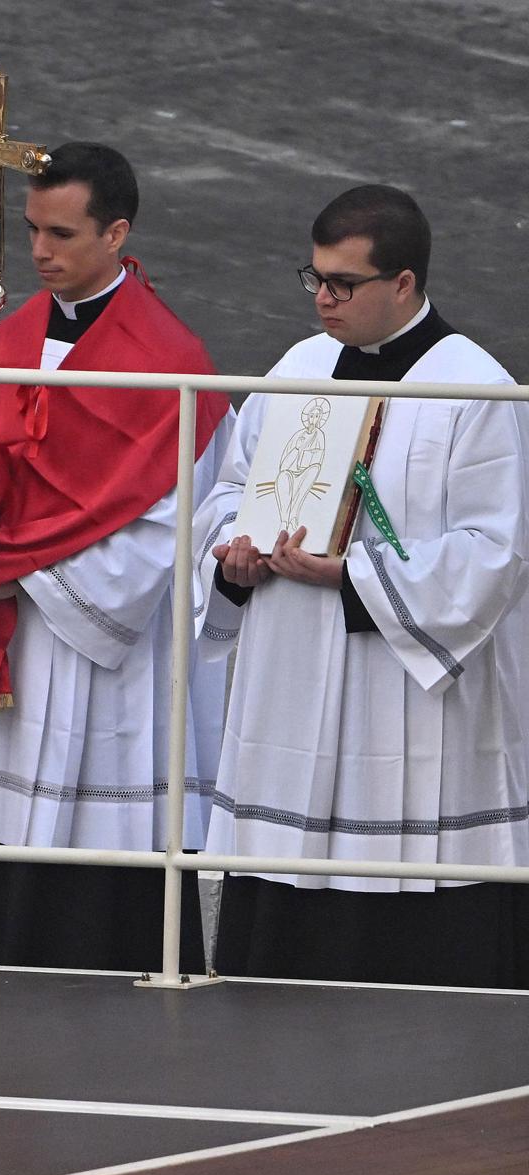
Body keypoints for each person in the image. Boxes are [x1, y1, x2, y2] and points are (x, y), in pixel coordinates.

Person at [196, 185, 529, 987]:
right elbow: (231, 486)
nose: (322, 300)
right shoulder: (300, 366)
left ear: (405, 284)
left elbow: (496, 553)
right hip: (293, 661)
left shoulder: (475, 389)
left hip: (401, 683)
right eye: (313, 278)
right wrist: (231, 552)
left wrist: (353, 576)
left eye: (343, 283)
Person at [0, 143, 235, 971]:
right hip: (14, 635)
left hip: (105, 661)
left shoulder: (171, 365)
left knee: (101, 863)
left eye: (61, 233)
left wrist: (13, 551)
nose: (39, 253)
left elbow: (178, 517)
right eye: (29, 231)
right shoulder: (11, 335)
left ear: (116, 233)